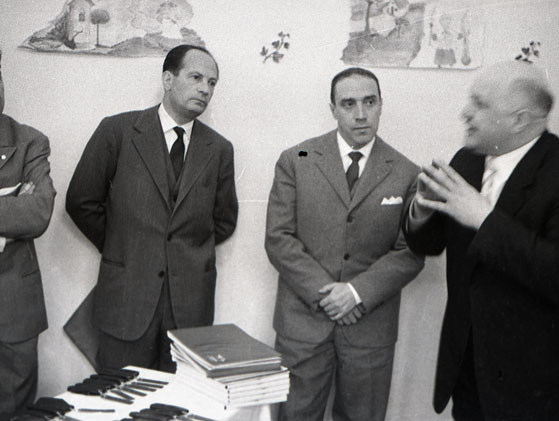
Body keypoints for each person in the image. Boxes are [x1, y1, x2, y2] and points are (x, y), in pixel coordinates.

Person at [403, 60, 559, 420]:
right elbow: (431, 244)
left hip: (540, 388)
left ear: (519, 120)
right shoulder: (467, 161)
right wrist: (421, 210)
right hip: (471, 376)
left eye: (480, 104)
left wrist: (484, 219)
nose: (465, 113)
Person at [265, 67, 424, 421]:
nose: (361, 114)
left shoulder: (407, 172)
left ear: (381, 104)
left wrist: (355, 293)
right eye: (349, 104)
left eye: (370, 102)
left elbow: (411, 252)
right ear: (333, 109)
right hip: (303, 325)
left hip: (370, 329)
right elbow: (278, 238)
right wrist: (330, 295)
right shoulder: (296, 160)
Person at [66, 44, 238, 372]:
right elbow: (81, 201)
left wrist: (181, 254)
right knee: (119, 391)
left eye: (212, 82)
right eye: (196, 77)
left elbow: (224, 221)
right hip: (126, 300)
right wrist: (124, 246)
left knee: (181, 397)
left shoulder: (219, 149)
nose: (205, 88)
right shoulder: (117, 131)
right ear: (168, 79)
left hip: (189, 308)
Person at [0, 48, 56, 418]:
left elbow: (39, 213)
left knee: (15, 412)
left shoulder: (30, 141)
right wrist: (11, 206)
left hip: (13, 311)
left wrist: (26, 207)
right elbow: (22, 212)